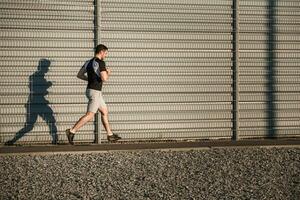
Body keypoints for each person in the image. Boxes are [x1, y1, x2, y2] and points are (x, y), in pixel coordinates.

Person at [66, 44, 121, 144]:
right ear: (101, 52)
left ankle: (110, 135)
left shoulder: (88, 62)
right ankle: (71, 131)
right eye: (106, 53)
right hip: (95, 92)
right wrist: (108, 73)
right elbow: (104, 79)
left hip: (92, 91)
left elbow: (79, 75)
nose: (106, 55)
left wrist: (90, 79)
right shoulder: (100, 63)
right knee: (90, 115)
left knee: (104, 111)